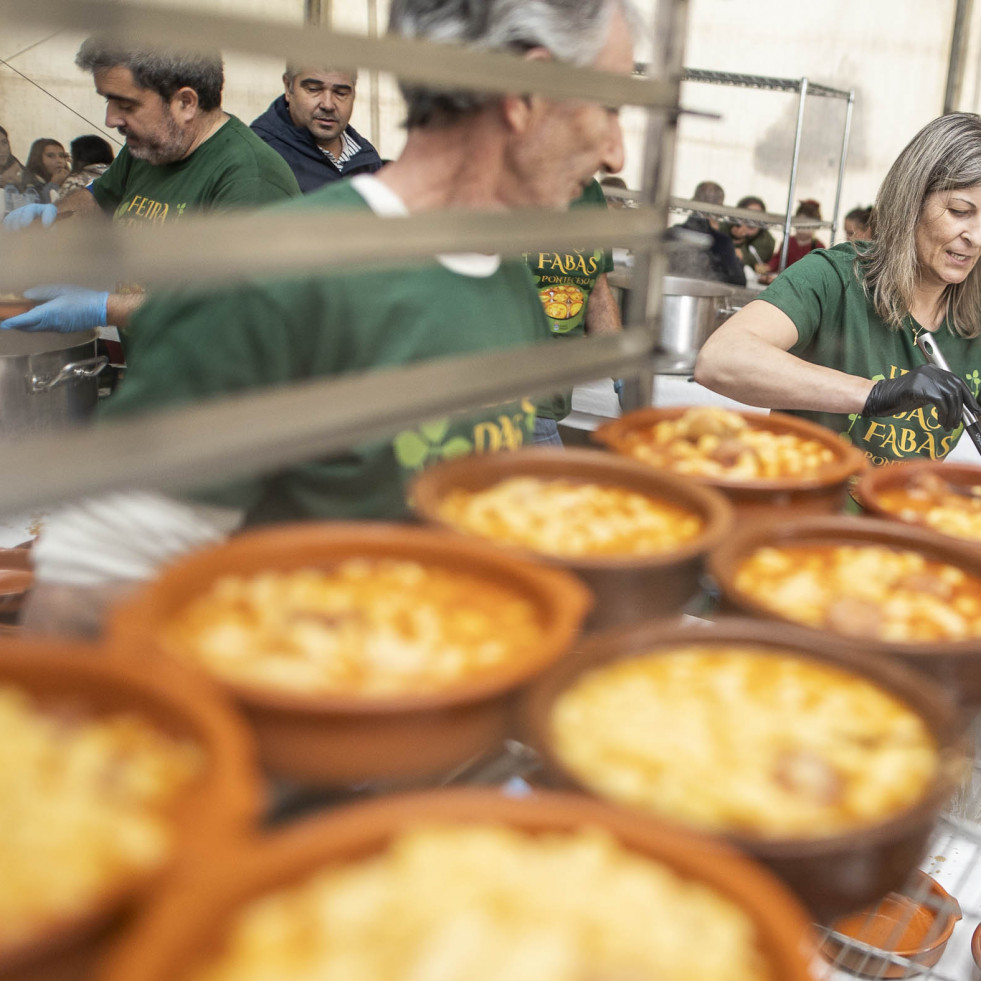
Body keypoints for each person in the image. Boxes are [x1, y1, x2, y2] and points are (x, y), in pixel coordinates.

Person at [25, 0, 636, 636]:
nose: (617, 154)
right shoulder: (283, 274)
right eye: (610, 106)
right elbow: (84, 591)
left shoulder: (506, 275)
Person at [695, 112, 981, 468]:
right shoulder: (834, 279)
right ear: (911, 203)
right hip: (801, 513)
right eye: (959, 211)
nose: (976, 237)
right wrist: (876, 393)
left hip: (903, 516)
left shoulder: (974, 318)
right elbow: (721, 359)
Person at [1, 37, 300, 334]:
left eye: (126, 104)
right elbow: (97, 198)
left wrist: (102, 307)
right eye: (108, 100)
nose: (110, 119)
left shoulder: (251, 177)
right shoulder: (150, 148)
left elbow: (227, 306)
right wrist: (45, 221)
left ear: (185, 103)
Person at [524, 177, 622, 445]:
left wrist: (623, 375)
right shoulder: (507, 177)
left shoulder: (591, 194)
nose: (615, 158)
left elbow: (598, 294)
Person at [251, 65, 383, 192]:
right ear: (288, 87)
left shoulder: (367, 157)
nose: (328, 104)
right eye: (314, 89)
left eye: (341, 93)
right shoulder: (258, 155)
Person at [668, 181, 746, 286]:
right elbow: (739, 281)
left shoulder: (671, 233)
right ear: (719, 209)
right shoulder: (721, 242)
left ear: (692, 202)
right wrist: (737, 260)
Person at [761, 198, 825, 281]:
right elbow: (777, 259)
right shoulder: (788, 242)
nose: (803, 228)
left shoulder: (818, 246)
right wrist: (768, 267)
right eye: (800, 224)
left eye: (808, 226)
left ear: (816, 226)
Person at [726, 195, 775, 274]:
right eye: (749, 214)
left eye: (757, 215)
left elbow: (752, 260)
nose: (752, 219)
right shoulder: (728, 226)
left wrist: (741, 239)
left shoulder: (766, 239)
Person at [56, 134, 115, 198]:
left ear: (81, 159)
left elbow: (56, 205)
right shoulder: (116, 179)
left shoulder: (75, 181)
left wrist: (54, 184)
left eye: (73, 156)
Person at [23, 138, 70, 203]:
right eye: (50, 156)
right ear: (38, 159)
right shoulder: (28, 184)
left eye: (61, 156)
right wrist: (54, 184)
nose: (59, 161)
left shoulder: (69, 180)